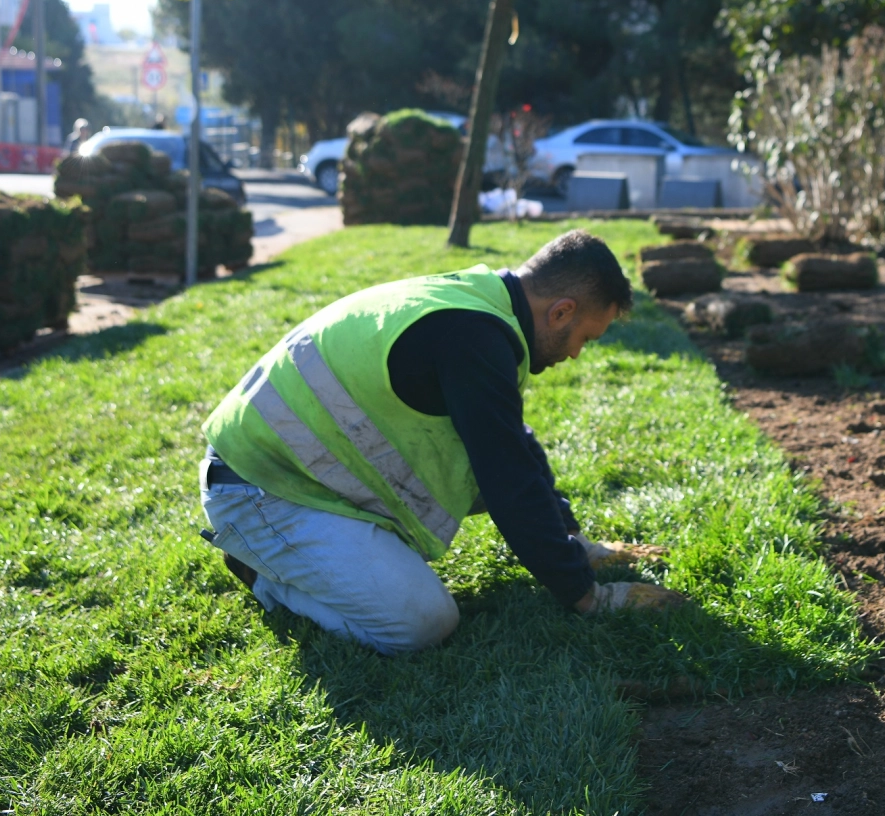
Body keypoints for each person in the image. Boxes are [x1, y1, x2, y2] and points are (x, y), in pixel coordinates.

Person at [199, 229, 683, 654]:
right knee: (422, 625)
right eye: (585, 339)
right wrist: (587, 596)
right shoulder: (473, 336)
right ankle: (266, 576)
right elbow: (508, 481)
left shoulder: (481, 304)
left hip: (302, 470)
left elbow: (512, 447)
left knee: (507, 449)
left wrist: (576, 545)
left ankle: (311, 552)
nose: (576, 354)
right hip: (260, 488)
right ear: (561, 312)